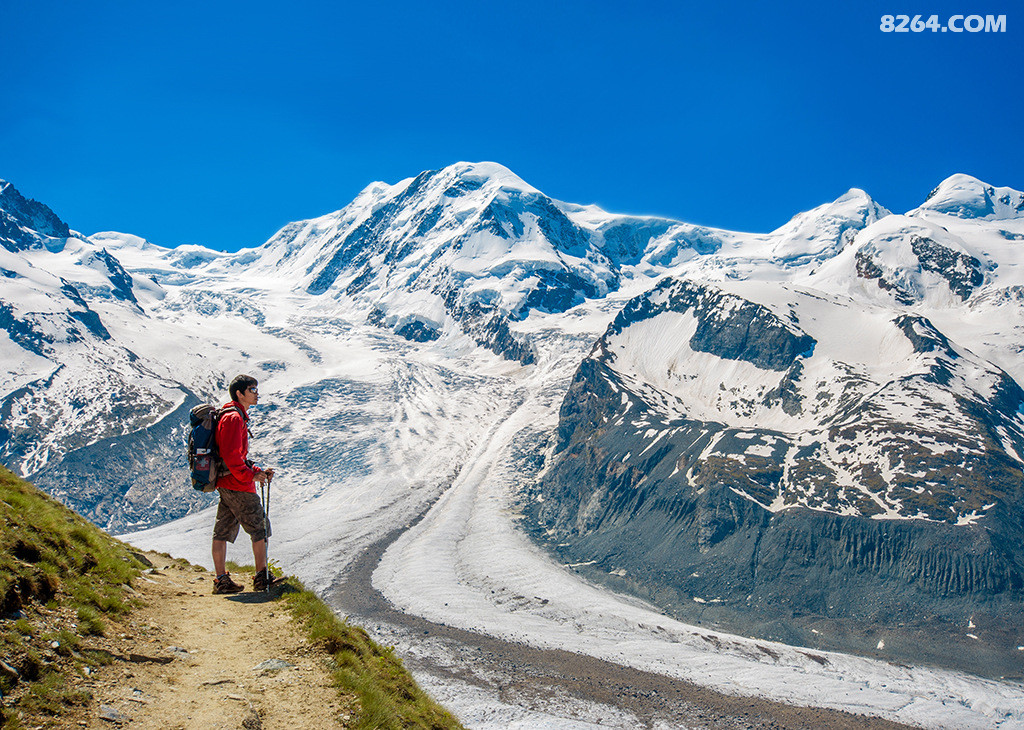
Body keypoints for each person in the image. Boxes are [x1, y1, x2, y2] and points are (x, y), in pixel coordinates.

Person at [211, 374, 285, 594]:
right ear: (239, 393)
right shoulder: (234, 418)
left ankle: (221, 580)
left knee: (222, 531)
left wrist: (256, 472)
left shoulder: (231, 416)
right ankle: (262, 577)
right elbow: (232, 456)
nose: (256, 393)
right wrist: (250, 476)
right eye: (252, 389)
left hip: (227, 482)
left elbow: (233, 457)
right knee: (259, 528)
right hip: (238, 485)